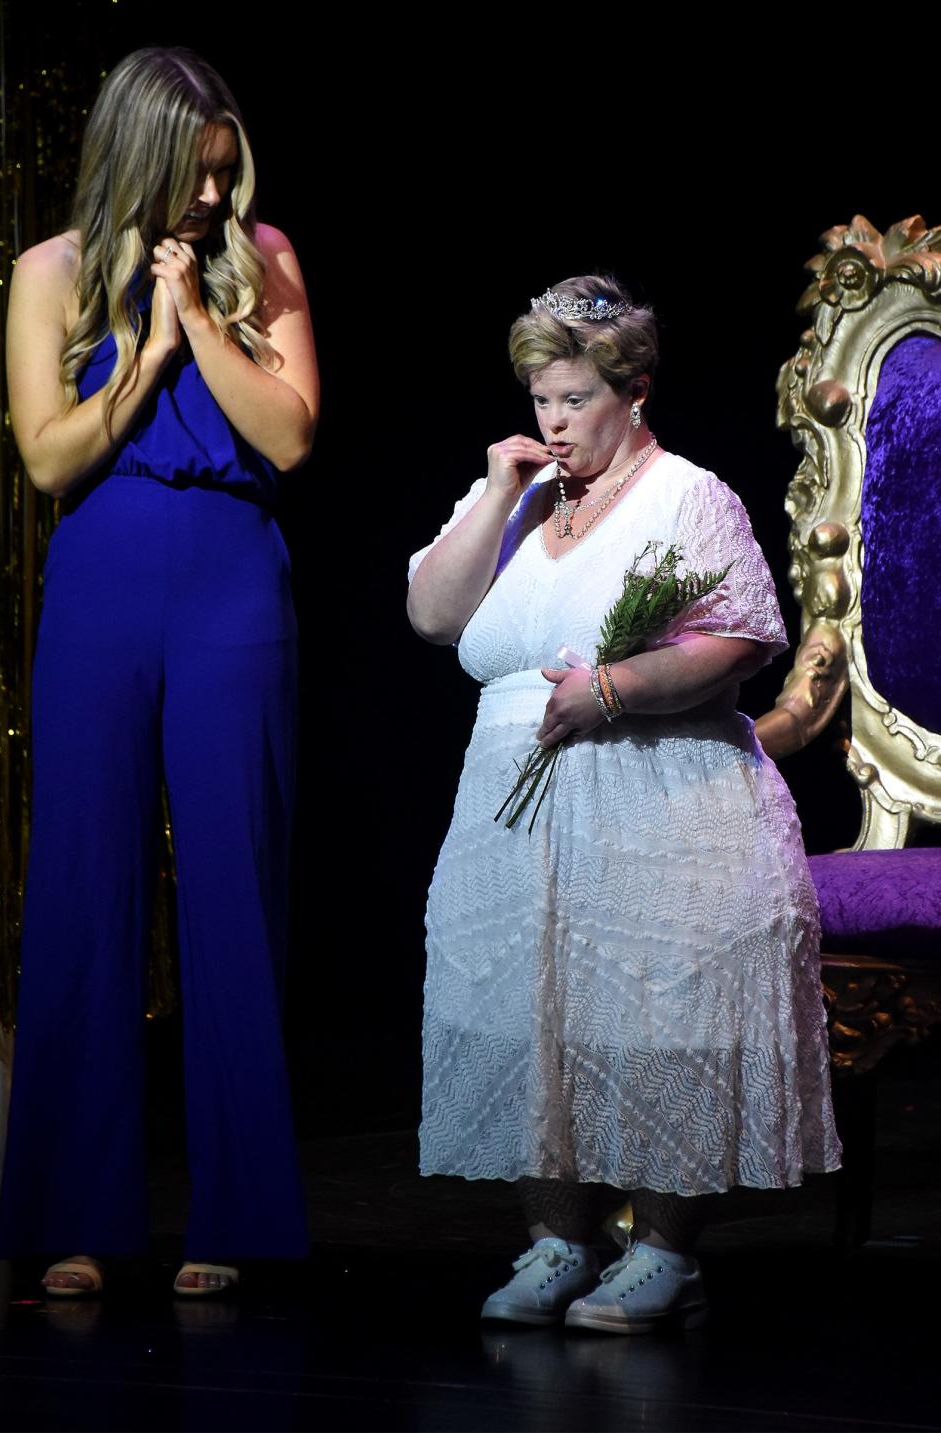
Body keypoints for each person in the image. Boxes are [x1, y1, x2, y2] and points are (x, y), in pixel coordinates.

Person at [407, 275, 840, 1332]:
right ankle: (556, 1239)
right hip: (512, 814)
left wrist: (612, 688)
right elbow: (432, 615)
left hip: (660, 800)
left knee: (659, 1018)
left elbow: (739, 639)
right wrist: (496, 492)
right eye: (539, 398)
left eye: (573, 399)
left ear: (634, 390)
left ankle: (662, 1250)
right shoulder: (520, 500)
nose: (552, 421)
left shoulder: (688, 494)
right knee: (527, 1023)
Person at [0, 47, 319, 1298]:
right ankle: (76, 1216)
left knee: (236, 876)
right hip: (105, 575)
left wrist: (201, 320)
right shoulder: (51, 274)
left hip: (233, 574)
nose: (211, 202)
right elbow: (46, 457)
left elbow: (290, 433)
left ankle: (236, 1215)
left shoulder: (266, 259)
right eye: (195, 176)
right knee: (88, 875)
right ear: (138, 153)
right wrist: (142, 357)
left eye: (225, 177)